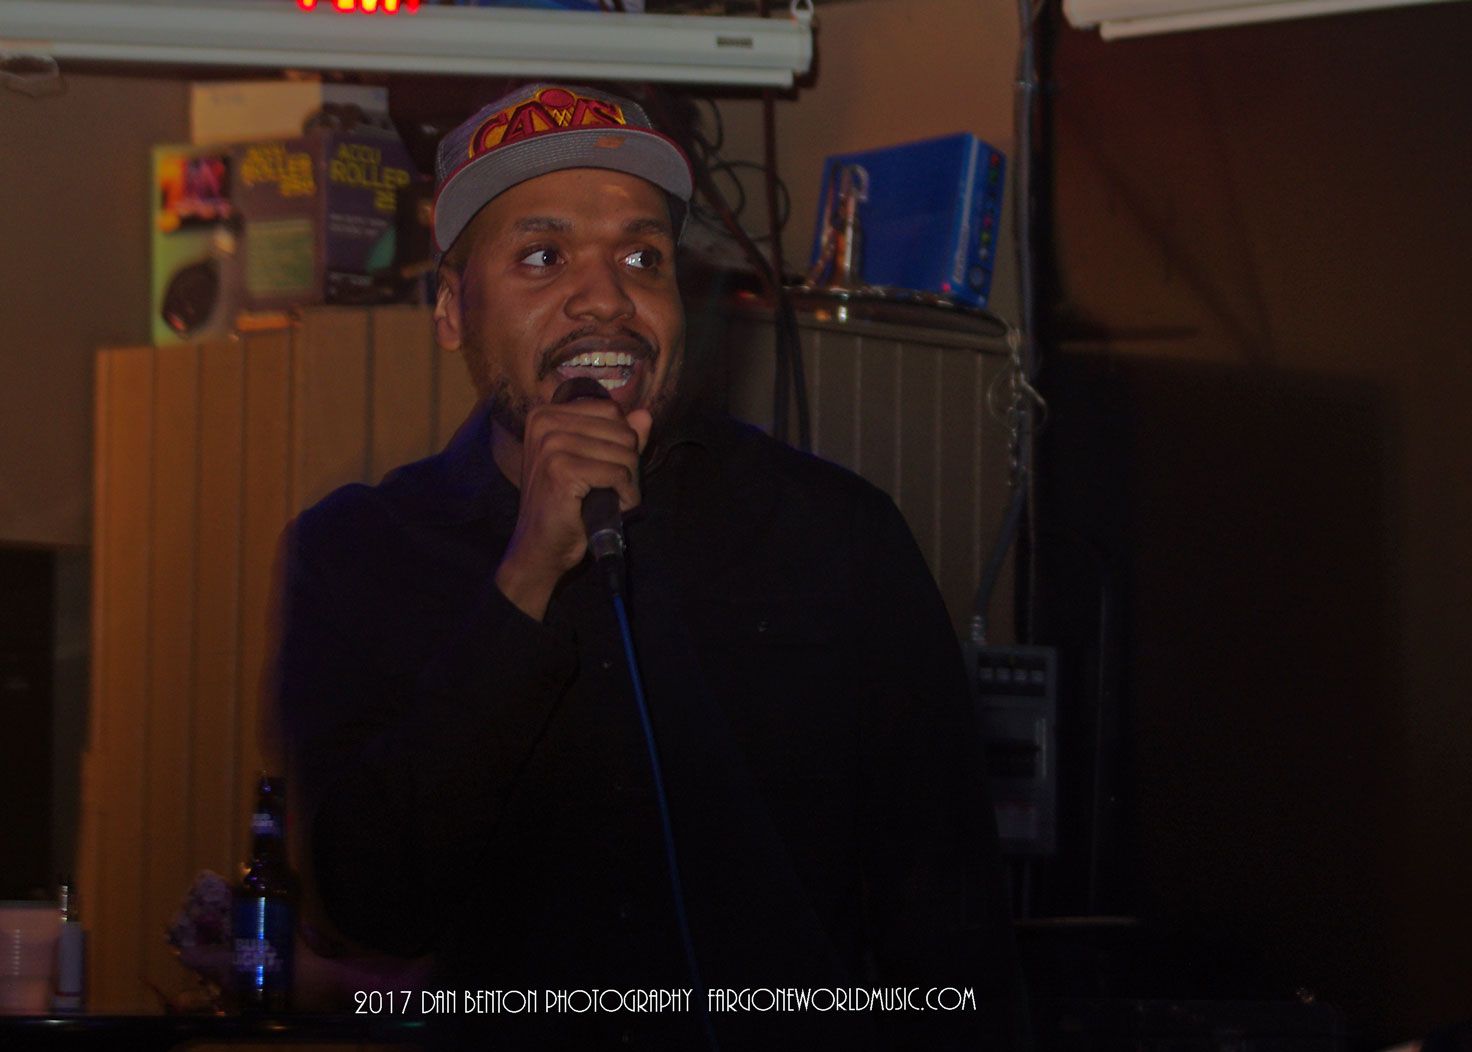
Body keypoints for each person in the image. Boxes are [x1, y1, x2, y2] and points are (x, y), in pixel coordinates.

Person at [275, 82, 1022, 1049]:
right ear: (453, 308)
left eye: (642, 258)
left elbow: (952, 928)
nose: (607, 298)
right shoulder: (360, 553)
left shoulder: (832, 535)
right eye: (542, 257)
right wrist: (527, 579)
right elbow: (365, 904)